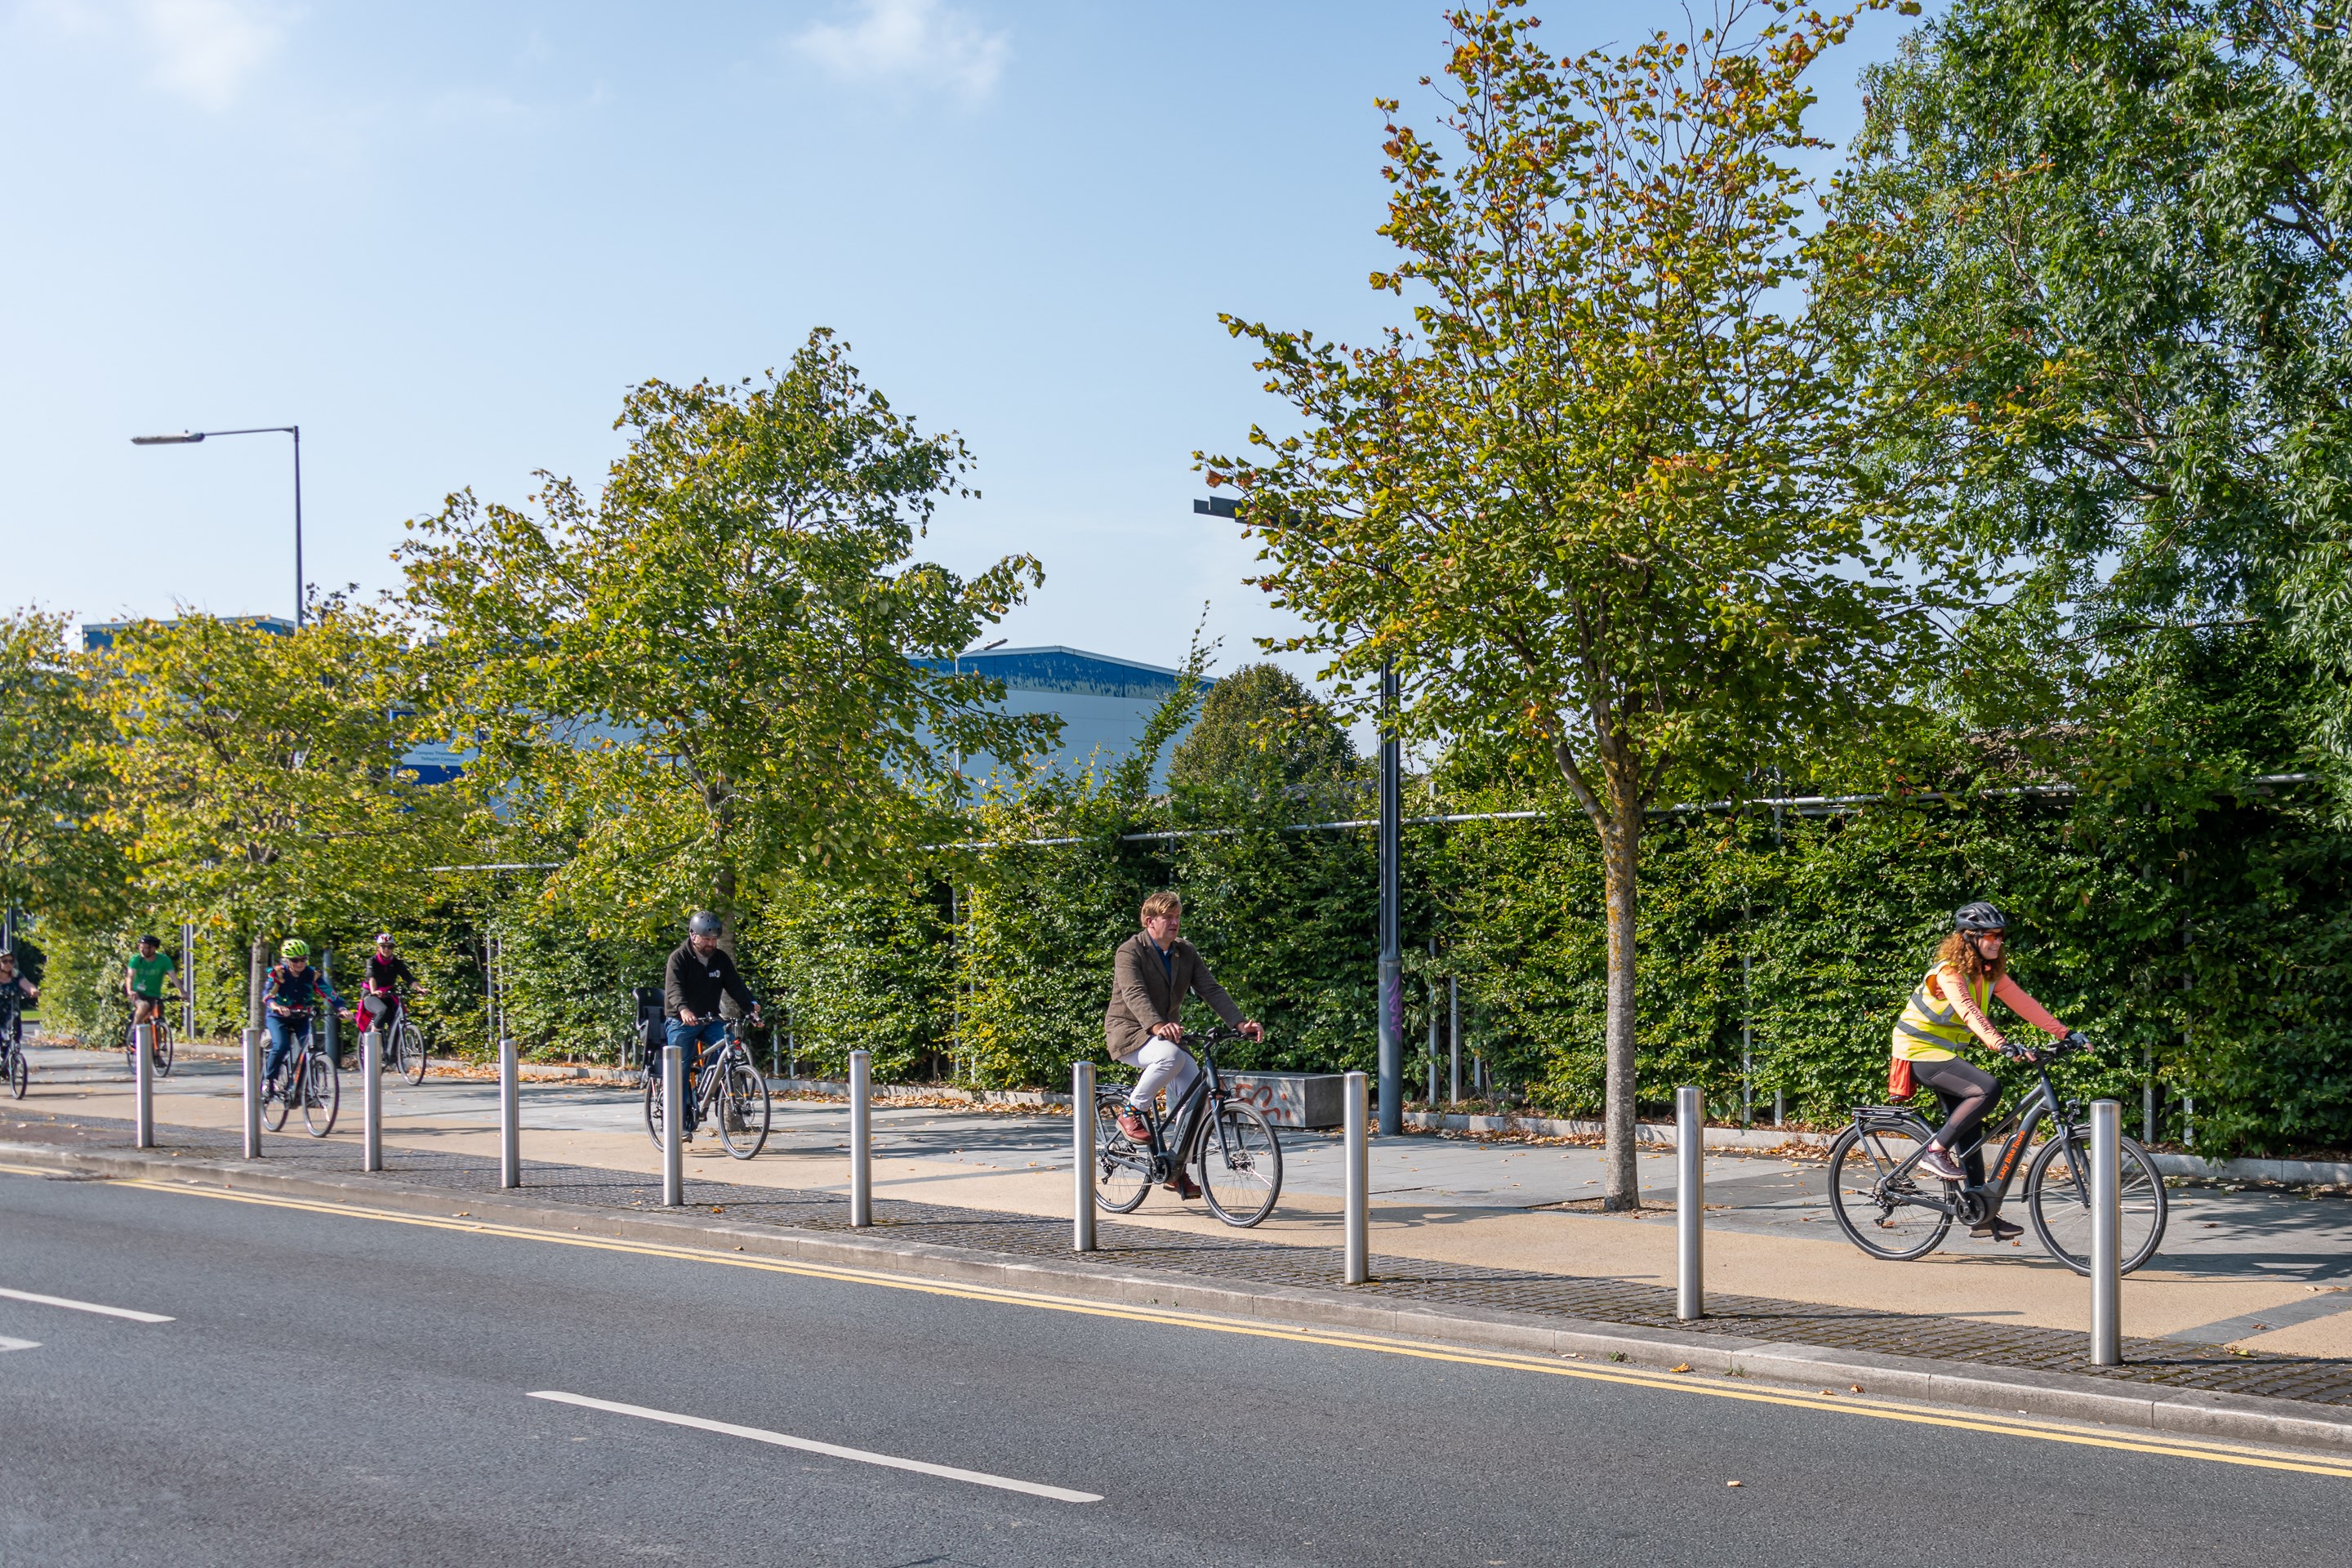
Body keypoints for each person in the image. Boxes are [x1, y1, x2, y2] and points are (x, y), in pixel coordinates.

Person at [1892, 902, 2082, 1241]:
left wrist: (2064, 1032)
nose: (1997, 942)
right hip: (1918, 1051)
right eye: (1990, 936)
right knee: (1987, 1088)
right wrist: (2000, 1043)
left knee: (1971, 1134)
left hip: (1944, 1052)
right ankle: (1935, 1152)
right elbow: (1967, 1011)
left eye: (2001, 936)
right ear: (1969, 938)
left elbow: (2025, 1004)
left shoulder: (1990, 973)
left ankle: (1981, 1215)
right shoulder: (1948, 972)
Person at [1103, 891, 1262, 1200]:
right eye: (1169, 918)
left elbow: (1211, 989)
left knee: (1196, 1102)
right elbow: (1135, 993)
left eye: (1177, 917)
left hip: (1165, 1037)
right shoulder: (1130, 952)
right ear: (1150, 922)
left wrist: (1240, 1023)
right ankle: (1131, 1112)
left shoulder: (1184, 952)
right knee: (1170, 1057)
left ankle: (1176, 1171)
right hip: (1131, 1033)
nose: (1176, 923)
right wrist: (1158, 1024)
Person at [660, 911, 762, 1134]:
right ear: (693, 935)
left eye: (714, 939)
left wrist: (751, 1009)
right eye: (706, 939)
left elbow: (736, 986)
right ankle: (678, 1120)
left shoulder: (721, 959)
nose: (711, 944)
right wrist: (684, 1009)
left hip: (709, 1018)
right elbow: (674, 989)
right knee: (680, 1066)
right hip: (681, 1021)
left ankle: (708, 1084)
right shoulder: (678, 958)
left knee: (728, 1046)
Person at [261, 939, 343, 1089]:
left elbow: (327, 992)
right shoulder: (278, 973)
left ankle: (307, 1090)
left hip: (301, 1017)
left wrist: (341, 1008)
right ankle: (269, 1081)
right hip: (279, 1017)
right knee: (281, 1046)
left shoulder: (311, 974)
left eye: (303, 959)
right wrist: (276, 1006)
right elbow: (267, 995)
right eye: (295, 960)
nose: (300, 963)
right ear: (286, 960)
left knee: (311, 1049)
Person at [360, 932, 423, 1036]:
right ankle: (373, 1035)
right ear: (378, 947)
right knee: (383, 1011)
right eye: (383, 946)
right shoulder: (372, 961)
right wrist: (374, 991)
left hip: (388, 994)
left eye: (390, 947)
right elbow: (371, 977)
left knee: (396, 1018)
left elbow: (408, 977)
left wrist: (420, 989)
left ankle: (392, 1050)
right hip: (371, 995)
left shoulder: (396, 963)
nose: (386, 949)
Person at [123, 934, 177, 1040]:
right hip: (137, 993)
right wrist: (130, 991)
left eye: (146, 948)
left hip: (154, 994)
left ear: (154, 948)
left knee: (156, 1020)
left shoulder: (164, 960)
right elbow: (130, 977)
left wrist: (183, 992)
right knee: (144, 1006)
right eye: (141, 947)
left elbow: (174, 978)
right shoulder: (136, 959)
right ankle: (134, 1031)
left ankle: (156, 1053)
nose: (143, 950)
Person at [0, 949, 36, 1048]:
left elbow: (27, 985)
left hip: (11, 1011)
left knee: (14, 1031)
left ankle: (15, 1053)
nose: (8, 964)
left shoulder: (16, 975)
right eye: (5, 961)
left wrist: (33, 991)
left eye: (11, 961)